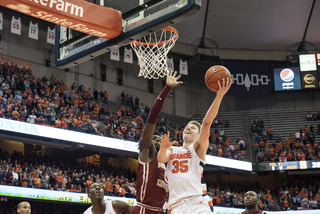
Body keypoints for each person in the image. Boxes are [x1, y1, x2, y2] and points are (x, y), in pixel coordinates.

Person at [158, 77, 231, 214]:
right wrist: (163, 148)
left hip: (196, 202)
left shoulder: (197, 148)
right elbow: (161, 159)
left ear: (198, 135)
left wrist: (219, 96)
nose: (188, 128)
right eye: (186, 127)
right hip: (175, 206)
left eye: (192, 128)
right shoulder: (172, 149)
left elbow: (206, 123)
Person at [130, 71, 183, 214]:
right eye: (154, 138)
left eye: (159, 139)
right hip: (144, 209)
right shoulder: (146, 152)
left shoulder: (165, 165)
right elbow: (152, 119)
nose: (157, 139)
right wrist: (167, 89)